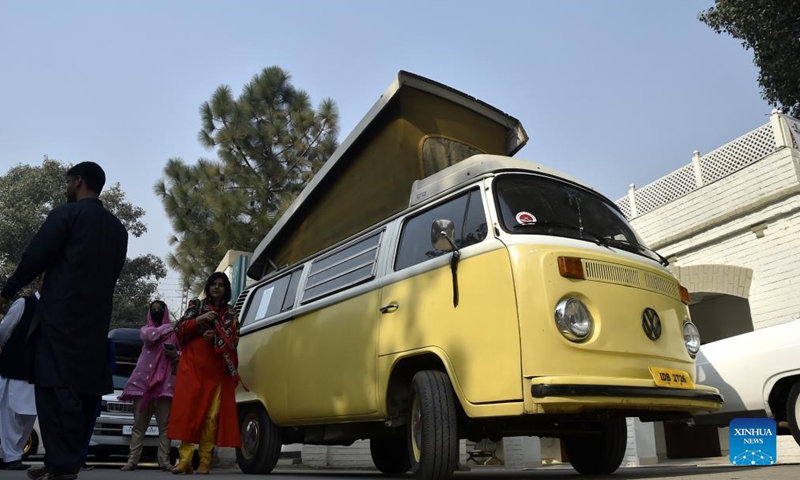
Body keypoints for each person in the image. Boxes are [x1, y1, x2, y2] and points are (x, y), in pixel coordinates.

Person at [0, 161, 128, 480]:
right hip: (96, 322)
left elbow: (36, 255)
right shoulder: (117, 229)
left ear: (78, 182)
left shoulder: (66, 215)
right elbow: (112, 274)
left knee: (53, 389)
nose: (67, 186)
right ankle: (61, 460)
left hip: (60, 319)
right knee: (84, 392)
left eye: (69, 181)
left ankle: (64, 466)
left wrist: (7, 291)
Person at [169, 273, 243, 475]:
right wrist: (198, 320)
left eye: (221, 285)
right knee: (189, 414)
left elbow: (234, 341)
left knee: (211, 418)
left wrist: (216, 336)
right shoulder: (196, 306)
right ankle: (184, 460)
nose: (217, 288)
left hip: (216, 371)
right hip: (192, 368)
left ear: (226, 289)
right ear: (208, 287)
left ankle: (205, 461)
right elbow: (179, 329)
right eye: (213, 284)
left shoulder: (230, 314)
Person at [118, 300, 178, 472]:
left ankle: (164, 461)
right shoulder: (146, 330)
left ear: (165, 311)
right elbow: (150, 337)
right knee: (139, 426)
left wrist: (175, 354)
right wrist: (169, 327)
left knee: (165, 427)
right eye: (154, 310)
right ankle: (132, 461)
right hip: (142, 385)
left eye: (160, 310)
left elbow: (182, 352)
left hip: (165, 385)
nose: (157, 312)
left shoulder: (176, 333)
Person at [0, 276, 42, 471]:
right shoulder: (24, 303)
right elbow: (4, 331)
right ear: (38, 282)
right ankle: (10, 456)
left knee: (29, 416)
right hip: (16, 368)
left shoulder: (59, 308)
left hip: (38, 372)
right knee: (11, 415)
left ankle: (11, 454)